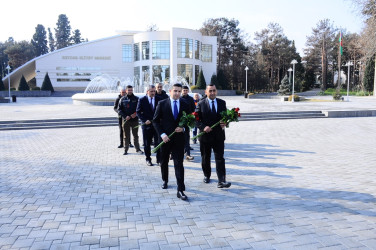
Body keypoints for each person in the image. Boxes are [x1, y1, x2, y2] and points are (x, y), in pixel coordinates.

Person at [153, 83, 190, 200]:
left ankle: (180, 189)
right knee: (164, 162)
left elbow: (189, 122)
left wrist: (183, 128)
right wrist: (162, 134)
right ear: (170, 91)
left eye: (179, 91)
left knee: (179, 164)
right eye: (175, 91)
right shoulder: (162, 103)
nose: (177, 93)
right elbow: (155, 121)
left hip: (179, 140)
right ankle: (165, 180)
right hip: (165, 140)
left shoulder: (185, 104)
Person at [195, 84, 231, 188]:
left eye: (214, 90)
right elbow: (196, 120)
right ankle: (207, 175)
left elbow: (225, 118)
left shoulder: (222, 103)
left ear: (216, 91)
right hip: (205, 136)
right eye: (210, 91)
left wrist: (225, 123)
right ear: (206, 92)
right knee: (206, 158)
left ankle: (221, 180)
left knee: (220, 158)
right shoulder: (201, 103)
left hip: (218, 136)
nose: (212, 93)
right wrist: (203, 127)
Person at [136, 85, 161, 166]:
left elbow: (162, 112)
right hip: (146, 125)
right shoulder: (142, 100)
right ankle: (148, 159)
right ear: (147, 91)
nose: (153, 93)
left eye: (154, 91)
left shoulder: (159, 100)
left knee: (158, 143)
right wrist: (144, 120)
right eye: (151, 91)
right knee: (147, 143)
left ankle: (159, 159)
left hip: (157, 125)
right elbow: (138, 112)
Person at [118, 85, 143, 155]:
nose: (130, 91)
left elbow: (140, 109)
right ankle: (125, 149)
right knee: (126, 136)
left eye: (131, 90)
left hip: (135, 120)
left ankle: (137, 149)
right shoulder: (122, 99)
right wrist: (125, 116)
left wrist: (136, 114)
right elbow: (119, 110)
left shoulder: (137, 99)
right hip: (126, 121)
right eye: (129, 90)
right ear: (126, 91)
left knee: (135, 135)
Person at [181, 85, 195, 161]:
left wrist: (191, 117)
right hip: (179, 122)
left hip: (187, 121)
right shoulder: (179, 98)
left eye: (186, 90)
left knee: (186, 137)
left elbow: (193, 109)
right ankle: (173, 154)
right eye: (184, 90)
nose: (185, 91)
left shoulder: (190, 99)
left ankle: (188, 154)